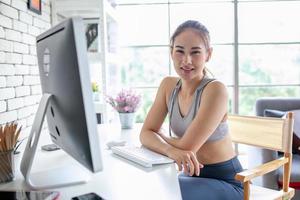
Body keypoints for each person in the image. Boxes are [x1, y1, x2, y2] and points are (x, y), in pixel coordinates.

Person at [139, 20, 244, 200]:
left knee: (159, 191)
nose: (186, 60)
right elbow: (145, 134)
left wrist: (159, 135)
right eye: (180, 51)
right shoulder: (168, 86)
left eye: (195, 52)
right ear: (171, 51)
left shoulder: (216, 90)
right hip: (192, 177)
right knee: (151, 183)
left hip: (227, 183)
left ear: (208, 54)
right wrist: (171, 149)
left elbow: (187, 147)